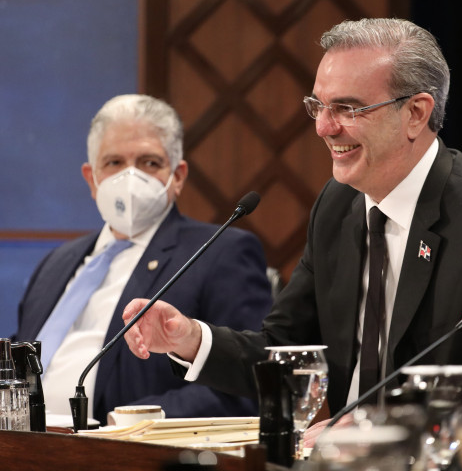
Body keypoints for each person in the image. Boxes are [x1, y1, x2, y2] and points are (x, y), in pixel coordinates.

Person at [122, 18, 462, 421]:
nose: (324, 127)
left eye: (348, 109)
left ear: (416, 113)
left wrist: (389, 427)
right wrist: (189, 339)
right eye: (318, 105)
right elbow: (285, 349)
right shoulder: (338, 205)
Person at [14, 94, 273, 425]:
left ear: (177, 176)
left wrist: (127, 422)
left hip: (119, 445)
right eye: (114, 163)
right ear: (91, 179)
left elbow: (247, 385)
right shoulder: (56, 263)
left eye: (149, 163)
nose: (130, 178)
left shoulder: (221, 251)